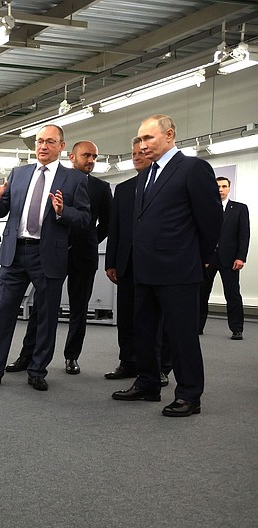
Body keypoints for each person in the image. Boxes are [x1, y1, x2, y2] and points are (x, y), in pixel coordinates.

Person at [111, 114, 222, 417]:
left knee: (181, 335)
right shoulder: (147, 174)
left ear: (169, 135)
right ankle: (148, 382)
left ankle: (189, 394)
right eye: (140, 139)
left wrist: (196, 257)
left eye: (149, 138)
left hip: (179, 269)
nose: (142, 144)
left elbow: (211, 221)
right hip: (144, 268)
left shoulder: (193, 168)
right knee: (144, 331)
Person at [0, 125, 90, 391]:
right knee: (3, 312)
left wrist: (62, 211)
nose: (43, 146)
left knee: (46, 315)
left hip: (48, 254)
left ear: (62, 146)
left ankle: (37, 370)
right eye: (39, 141)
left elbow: (84, 218)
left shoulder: (75, 179)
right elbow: (1, 210)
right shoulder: (19, 173)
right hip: (15, 252)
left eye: (50, 142)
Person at [3, 141, 111, 375]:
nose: (91, 160)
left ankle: (71, 356)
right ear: (71, 157)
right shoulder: (55, 179)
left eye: (94, 157)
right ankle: (27, 355)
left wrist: (89, 239)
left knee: (79, 308)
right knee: (41, 307)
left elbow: (107, 223)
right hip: (49, 252)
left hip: (82, 254)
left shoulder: (101, 187)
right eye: (86, 155)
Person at [104, 137, 172, 385]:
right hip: (128, 263)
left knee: (158, 319)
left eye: (141, 153)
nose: (136, 157)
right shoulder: (124, 189)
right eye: (133, 154)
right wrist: (111, 262)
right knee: (127, 316)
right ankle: (128, 362)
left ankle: (160, 366)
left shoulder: (166, 184)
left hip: (157, 263)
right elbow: (115, 228)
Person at [199, 176, 249, 340]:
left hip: (230, 259)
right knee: (202, 293)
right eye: (218, 186)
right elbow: (200, 234)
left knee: (233, 294)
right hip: (208, 259)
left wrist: (241, 257)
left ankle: (237, 329)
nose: (220, 189)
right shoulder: (206, 209)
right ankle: (197, 326)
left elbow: (244, 235)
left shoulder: (240, 208)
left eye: (223, 186)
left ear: (229, 188)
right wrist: (202, 257)